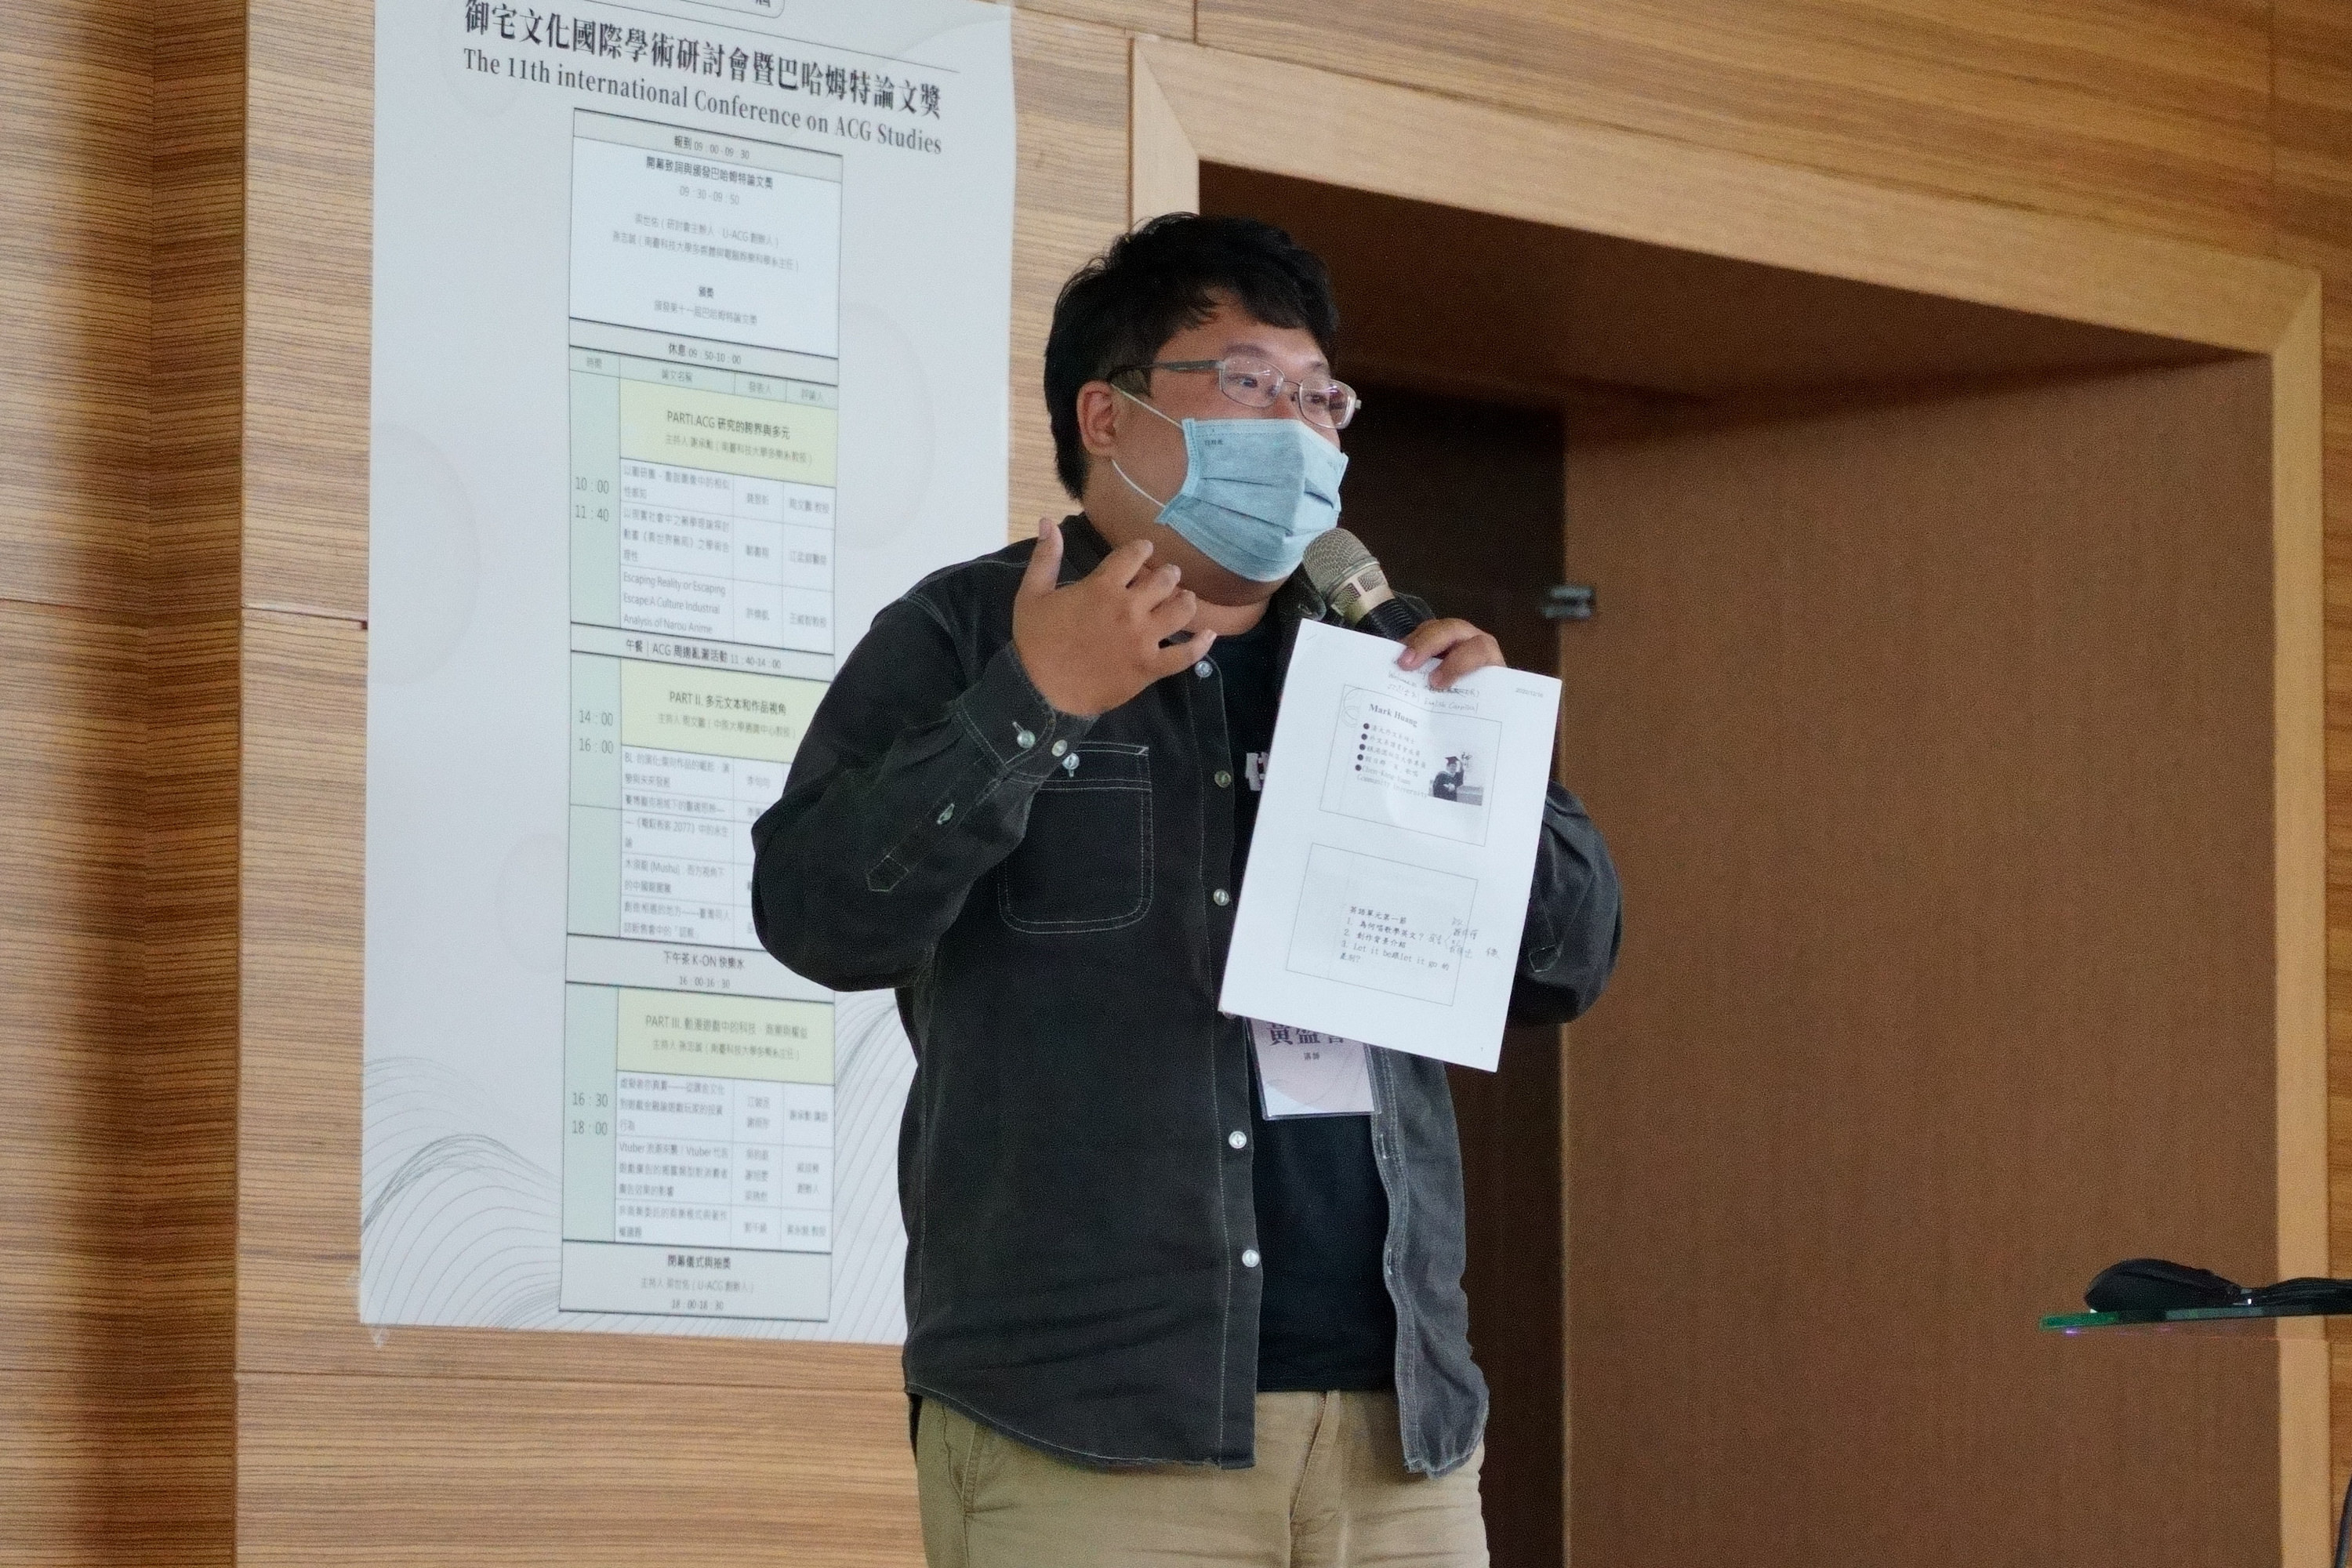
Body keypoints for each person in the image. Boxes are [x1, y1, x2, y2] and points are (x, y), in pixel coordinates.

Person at [751, 214, 1621, 1568]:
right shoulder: (967, 634)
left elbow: (1567, 963)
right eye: (1251, 383)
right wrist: (1038, 700)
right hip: (1091, 1422)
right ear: (1109, 416)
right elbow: (817, 913)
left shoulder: (1387, 657)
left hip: (1401, 1431)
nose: (1301, 429)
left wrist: (1494, 766)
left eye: (1320, 398)